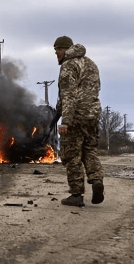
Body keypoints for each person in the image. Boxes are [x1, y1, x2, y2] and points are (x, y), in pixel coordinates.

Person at [54, 36, 104, 207]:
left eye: (58, 50)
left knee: (72, 155)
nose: (56, 53)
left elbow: (68, 95)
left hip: (75, 117)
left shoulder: (68, 65)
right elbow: (95, 89)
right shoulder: (91, 64)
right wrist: (57, 110)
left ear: (66, 49)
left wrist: (65, 120)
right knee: (89, 150)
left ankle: (76, 194)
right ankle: (96, 180)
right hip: (92, 116)